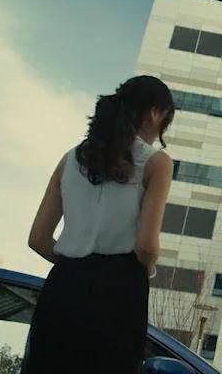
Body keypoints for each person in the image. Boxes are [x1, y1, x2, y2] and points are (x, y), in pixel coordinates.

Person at [22, 76, 176, 374]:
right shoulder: (157, 162)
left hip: (63, 285)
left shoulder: (70, 159)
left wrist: (76, 263)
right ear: (155, 113)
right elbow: (146, 246)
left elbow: (38, 238)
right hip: (119, 289)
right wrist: (138, 270)